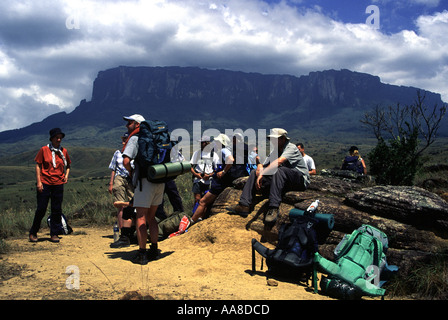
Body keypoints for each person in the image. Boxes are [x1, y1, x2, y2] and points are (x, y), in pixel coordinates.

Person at [231, 128, 310, 225]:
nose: (272, 141)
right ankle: (244, 204)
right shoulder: (275, 150)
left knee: (279, 170)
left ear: (283, 139)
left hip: (299, 180)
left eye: (275, 139)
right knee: (254, 172)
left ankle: (273, 207)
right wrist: (259, 166)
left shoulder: (291, 148)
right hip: (284, 180)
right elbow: (264, 164)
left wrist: (263, 173)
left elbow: (279, 162)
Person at [122, 114, 165, 265]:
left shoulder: (135, 139)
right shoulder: (157, 137)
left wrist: (131, 172)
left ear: (137, 124)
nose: (127, 125)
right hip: (159, 179)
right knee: (151, 217)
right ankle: (154, 249)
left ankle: (142, 253)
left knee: (140, 217)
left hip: (144, 182)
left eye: (130, 122)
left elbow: (126, 160)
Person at [29, 128, 71, 243]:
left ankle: (54, 233)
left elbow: (68, 166)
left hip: (58, 183)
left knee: (56, 209)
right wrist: (39, 182)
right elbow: (38, 165)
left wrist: (66, 176)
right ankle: (33, 232)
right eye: (56, 137)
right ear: (51, 138)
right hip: (45, 183)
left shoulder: (63, 151)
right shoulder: (44, 150)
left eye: (60, 137)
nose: (58, 139)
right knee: (41, 208)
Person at [108, 132, 135, 248]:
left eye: (126, 138)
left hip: (130, 178)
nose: (124, 140)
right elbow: (113, 168)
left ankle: (131, 229)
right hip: (119, 177)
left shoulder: (133, 152)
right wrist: (111, 182)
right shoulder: (117, 153)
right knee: (120, 204)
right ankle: (121, 231)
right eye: (123, 138)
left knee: (132, 202)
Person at [190, 135, 219, 211]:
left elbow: (217, 169)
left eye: (202, 143)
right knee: (197, 199)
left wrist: (209, 175)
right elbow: (190, 166)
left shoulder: (214, 155)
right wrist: (196, 174)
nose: (200, 144)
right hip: (198, 179)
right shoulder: (197, 153)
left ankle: (202, 216)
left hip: (209, 181)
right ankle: (195, 214)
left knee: (206, 200)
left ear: (207, 143)